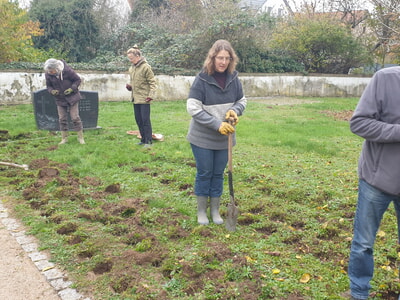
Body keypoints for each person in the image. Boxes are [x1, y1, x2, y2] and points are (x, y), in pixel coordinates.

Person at [347, 66, 400, 300]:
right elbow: (359, 123)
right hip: (377, 179)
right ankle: (359, 293)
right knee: (363, 244)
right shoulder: (386, 78)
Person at [186, 39, 247, 225]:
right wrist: (216, 124)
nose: (223, 62)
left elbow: (242, 101)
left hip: (225, 139)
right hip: (202, 138)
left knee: (218, 173)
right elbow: (193, 107)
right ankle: (202, 211)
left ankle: (215, 211)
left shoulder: (234, 79)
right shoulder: (202, 79)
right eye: (220, 58)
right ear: (212, 58)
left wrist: (235, 111)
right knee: (205, 172)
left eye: (227, 58)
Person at [44, 58, 85, 144]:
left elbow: (78, 80)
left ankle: (80, 138)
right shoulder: (48, 74)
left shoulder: (67, 70)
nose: (50, 73)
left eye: (52, 71)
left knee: (75, 117)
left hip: (73, 97)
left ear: (57, 68)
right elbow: (48, 86)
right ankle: (64, 138)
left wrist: (72, 89)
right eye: (49, 71)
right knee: (62, 118)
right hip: (60, 98)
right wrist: (52, 91)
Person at [126, 45, 157, 147]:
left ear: (138, 56)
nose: (130, 60)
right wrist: (130, 87)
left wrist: (151, 95)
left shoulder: (146, 67)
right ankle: (143, 139)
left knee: (145, 120)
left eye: (132, 58)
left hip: (144, 98)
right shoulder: (131, 68)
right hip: (135, 98)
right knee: (138, 120)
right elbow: (134, 82)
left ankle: (149, 141)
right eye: (129, 59)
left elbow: (152, 83)